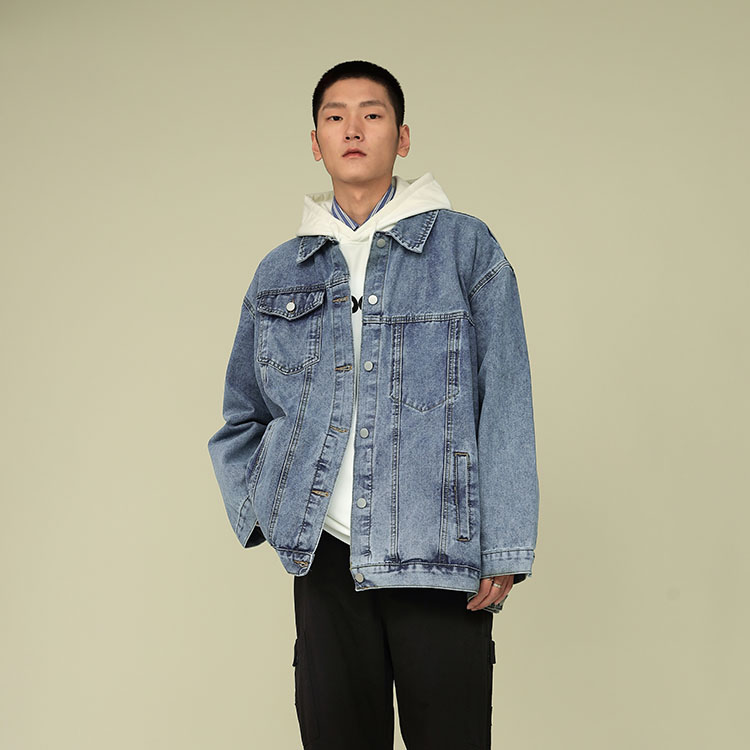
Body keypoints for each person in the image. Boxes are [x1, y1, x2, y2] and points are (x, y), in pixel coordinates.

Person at [207, 59, 540, 750]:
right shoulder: (280, 270)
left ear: (403, 136)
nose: (352, 129)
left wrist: (504, 544)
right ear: (316, 141)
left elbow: (505, 397)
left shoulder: (465, 248)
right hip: (326, 557)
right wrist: (270, 508)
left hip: (438, 551)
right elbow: (243, 414)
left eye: (372, 114)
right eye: (335, 116)